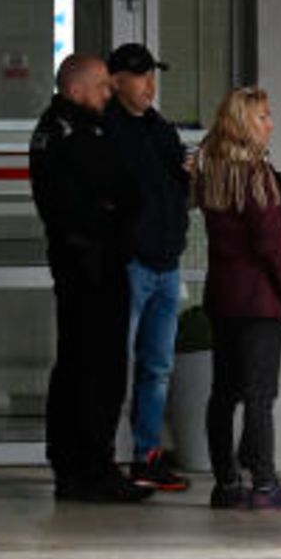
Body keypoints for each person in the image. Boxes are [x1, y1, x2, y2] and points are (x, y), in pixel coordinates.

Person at [29, 52, 149, 503]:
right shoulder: (68, 131)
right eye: (102, 86)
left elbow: (122, 190)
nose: (109, 93)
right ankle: (90, 468)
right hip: (88, 265)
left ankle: (80, 465)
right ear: (76, 89)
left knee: (84, 365)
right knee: (94, 368)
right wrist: (114, 213)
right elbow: (114, 187)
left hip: (94, 262)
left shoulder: (76, 126)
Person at [195, 87, 281, 510]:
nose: (271, 123)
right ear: (246, 123)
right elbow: (272, 249)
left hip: (223, 299)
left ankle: (227, 483)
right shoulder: (256, 176)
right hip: (259, 303)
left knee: (224, 392)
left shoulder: (212, 172)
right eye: (263, 116)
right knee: (260, 394)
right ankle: (264, 485)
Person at [104, 43, 191, 492]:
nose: (149, 84)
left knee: (157, 368)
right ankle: (103, 459)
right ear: (115, 80)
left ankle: (146, 456)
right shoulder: (106, 129)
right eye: (139, 76)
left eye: (152, 75)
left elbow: (178, 186)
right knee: (113, 364)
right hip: (131, 264)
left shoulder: (160, 129)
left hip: (166, 263)